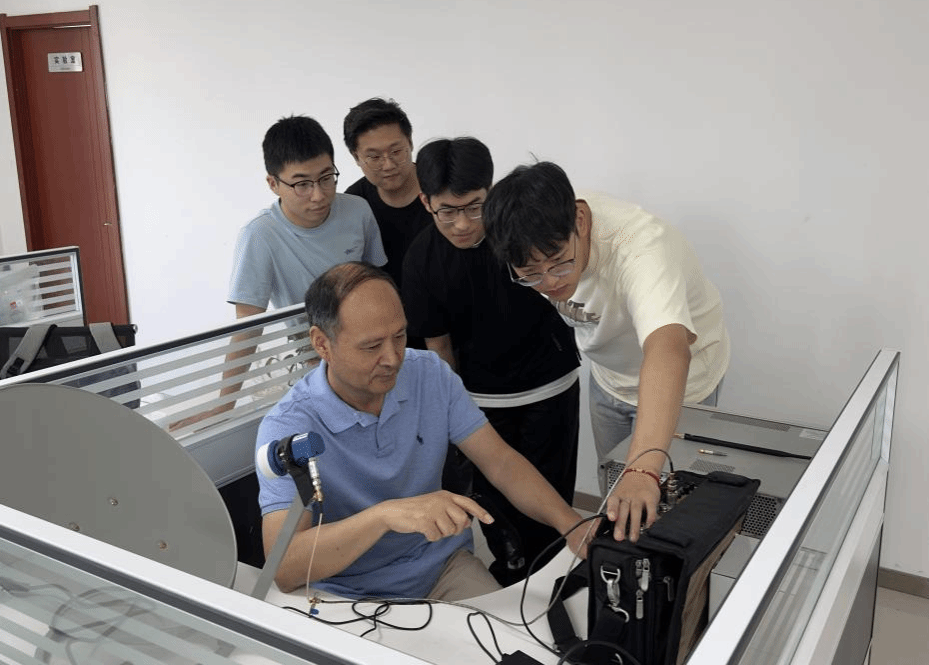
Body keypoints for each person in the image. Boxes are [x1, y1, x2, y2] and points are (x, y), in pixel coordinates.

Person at [255, 262, 589, 600]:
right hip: (343, 590)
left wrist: (571, 524)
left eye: (399, 336)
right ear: (322, 343)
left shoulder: (429, 373)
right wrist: (384, 516)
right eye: (372, 346)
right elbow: (284, 567)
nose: (392, 358)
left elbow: (500, 462)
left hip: (441, 568)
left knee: (509, 632)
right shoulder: (288, 429)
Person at [484, 162, 729, 543]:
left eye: (560, 263)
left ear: (580, 221)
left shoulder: (641, 248)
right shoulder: (532, 234)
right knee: (617, 495)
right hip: (609, 379)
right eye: (530, 274)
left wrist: (643, 468)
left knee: (673, 510)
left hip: (684, 387)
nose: (550, 283)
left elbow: (668, 350)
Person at [401, 138, 580, 586]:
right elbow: (439, 348)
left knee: (552, 497)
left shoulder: (520, 236)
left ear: (491, 191)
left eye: (474, 207)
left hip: (550, 387)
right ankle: (515, 581)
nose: (462, 223)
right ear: (425, 202)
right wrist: (452, 415)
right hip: (481, 403)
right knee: (499, 512)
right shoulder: (421, 259)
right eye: (447, 211)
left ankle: (555, 581)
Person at [174, 116, 385, 428]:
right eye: (302, 184)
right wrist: (223, 405)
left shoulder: (358, 211)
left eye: (327, 178)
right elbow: (248, 328)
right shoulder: (260, 235)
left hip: (372, 352)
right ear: (273, 184)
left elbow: (379, 290)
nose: (318, 194)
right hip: (313, 363)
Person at [342, 99, 430, 318]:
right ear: (356, 157)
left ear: (410, 143)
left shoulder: (440, 187)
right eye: (374, 157)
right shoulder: (353, 204)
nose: (388, 164)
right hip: (386, 322)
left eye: (396, 151)